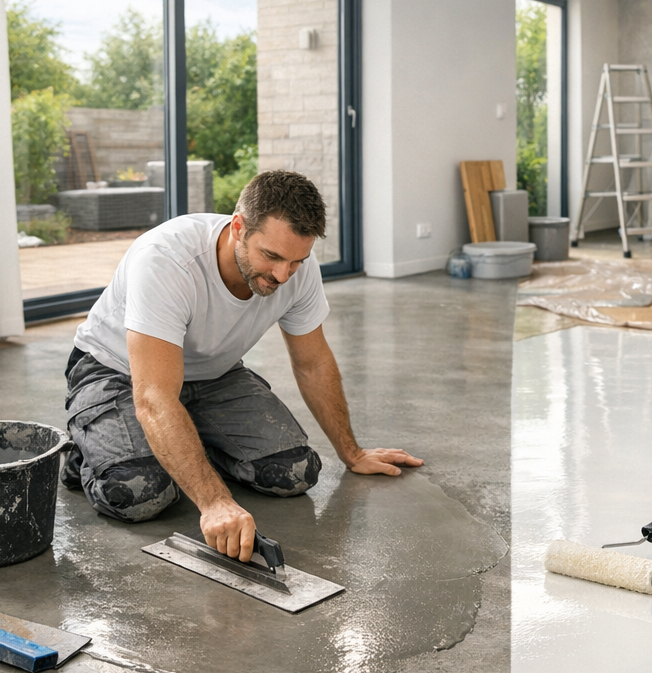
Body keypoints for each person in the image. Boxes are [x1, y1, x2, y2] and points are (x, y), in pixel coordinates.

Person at [63, 169, 422, 562]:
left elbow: (313, 363)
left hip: (213, 374)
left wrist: (352, 452)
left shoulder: (297, 266)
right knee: (139, 491)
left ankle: (177, 439)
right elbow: (153, 397)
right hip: (120, 373)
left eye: (296, 261)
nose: (283, 275)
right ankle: (90, 452)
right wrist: (215, 502)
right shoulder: (166, 260)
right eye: (272, 256)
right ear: (238, 227)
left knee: (295, 472)